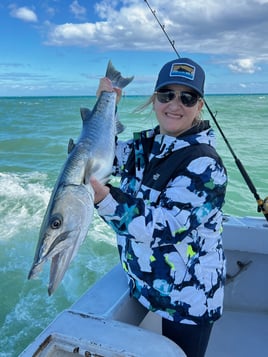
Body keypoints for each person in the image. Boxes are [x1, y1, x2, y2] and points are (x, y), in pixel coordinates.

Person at [90, 58, 227, 357]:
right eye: (166, 95)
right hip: (147, 286)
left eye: (187, 97)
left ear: (199, 105)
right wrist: (107, 104)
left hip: (189, 299)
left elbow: (165, 228)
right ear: (154, 100)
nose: (175, 105)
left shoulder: (205, 164)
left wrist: (105, 200)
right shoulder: (147, 147)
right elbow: (104, 157)